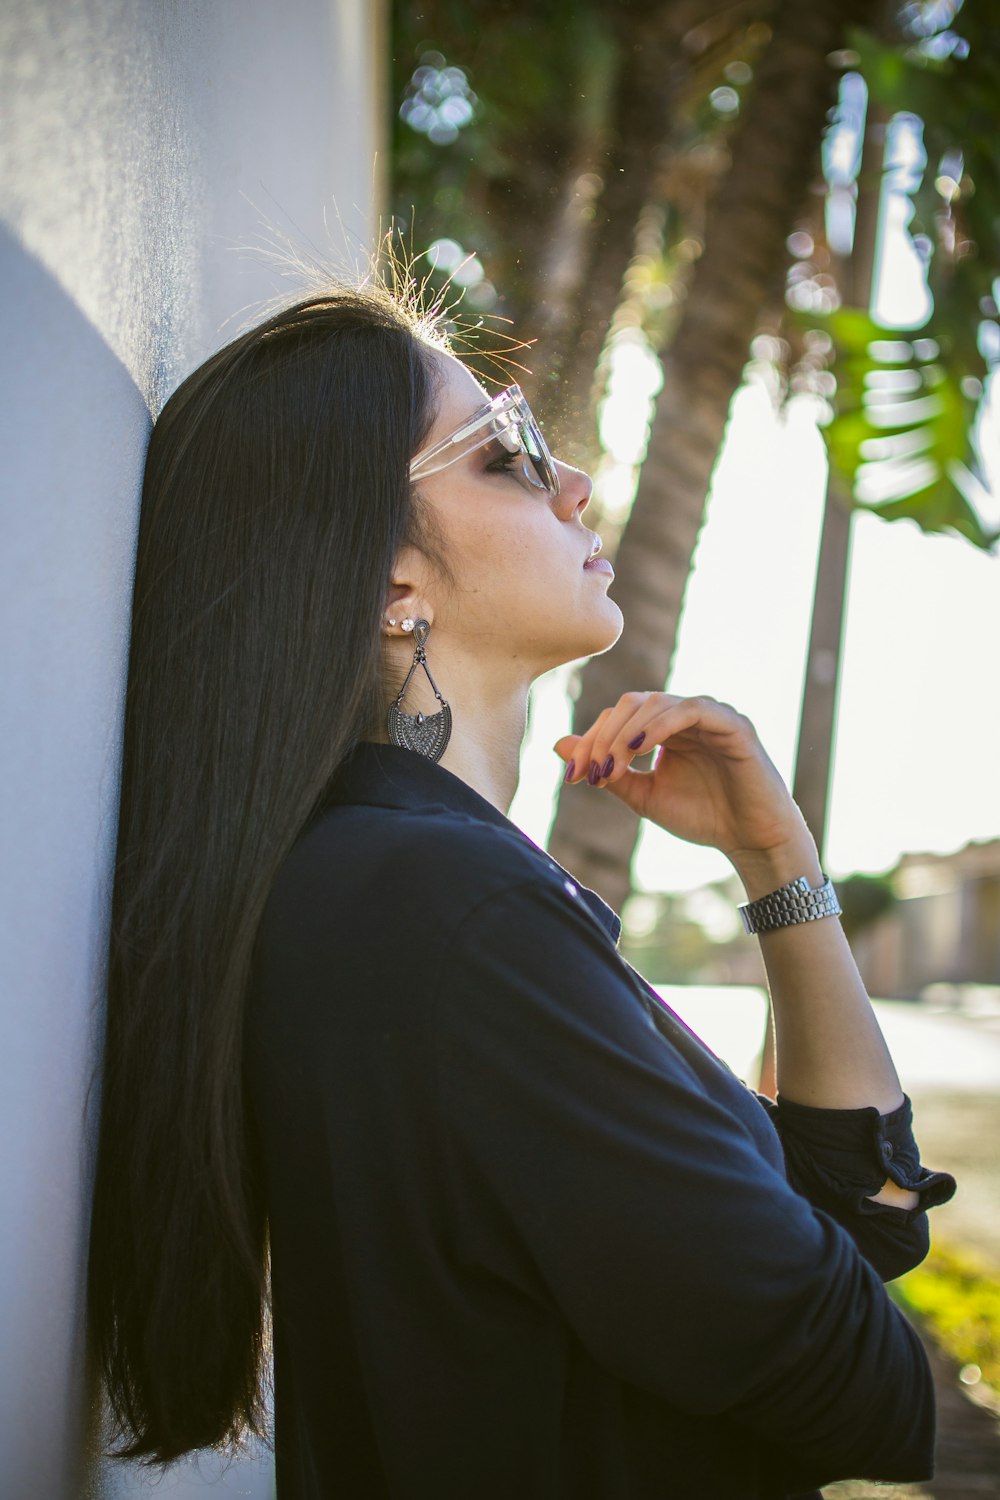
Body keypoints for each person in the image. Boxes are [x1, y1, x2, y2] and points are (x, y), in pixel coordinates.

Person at [88, 284, 955, 1499]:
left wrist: (779, 867)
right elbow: (867, 1388)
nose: (575, 485)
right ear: (391, 578)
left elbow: (861, 1223)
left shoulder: (399, 881)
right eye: (506, 455)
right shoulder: (447, 913)